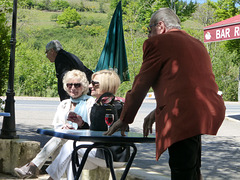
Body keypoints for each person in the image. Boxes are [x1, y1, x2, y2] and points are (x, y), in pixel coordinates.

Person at [105, 8, 226, 180]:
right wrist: (158, 111)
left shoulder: (159, 43)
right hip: (208, 110)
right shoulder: (197, 44)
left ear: (160, 26)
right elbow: (189, 84)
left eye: (149, 29)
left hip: (183, 115)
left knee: (182, 172)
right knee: (192, 169)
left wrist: (124, 118)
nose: (148, 35)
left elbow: (141, 85)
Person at [14, 70, 95, 179]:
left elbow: (93, 127)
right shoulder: (64, 104)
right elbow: (56, 126)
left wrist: (79, 125)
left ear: (84, 86)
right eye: (69, 85)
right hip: (64, 141)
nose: (73, 88)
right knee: (61, 135)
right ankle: (40, 171)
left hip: (83, 142)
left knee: (63, 139)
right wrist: (64, 127)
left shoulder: (90, 102)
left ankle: (33, 166)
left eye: (77, 85)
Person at [46, 70, 126, 180]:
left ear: (105, 85)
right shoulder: (99, 104)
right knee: (71, 157)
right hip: (100, 153)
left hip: (112, 155)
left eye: (94, 83)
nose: (89, 86)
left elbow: (105, 135)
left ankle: (51, 178)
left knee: (71, 145)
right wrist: (82, 123)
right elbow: (97, 131)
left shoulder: (115, 106)